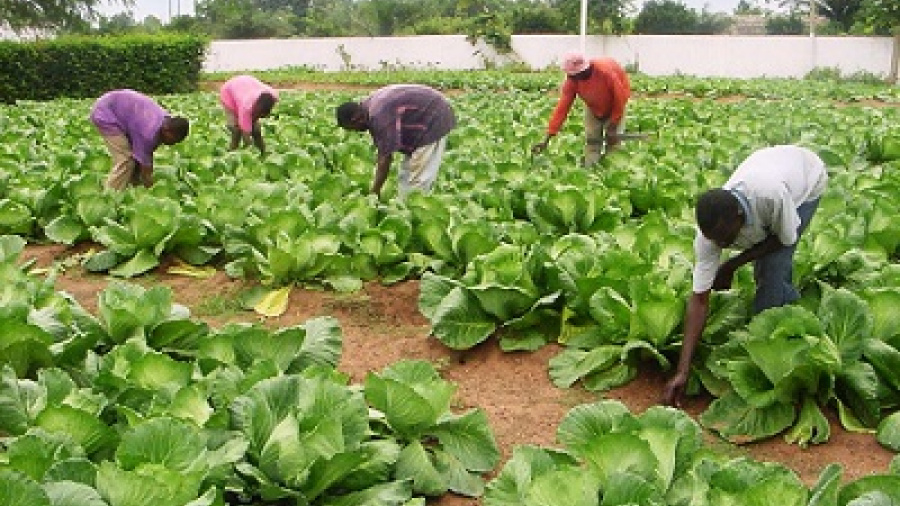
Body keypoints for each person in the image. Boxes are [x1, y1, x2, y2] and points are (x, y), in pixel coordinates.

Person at [661, 145, 828, 407]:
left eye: (725, 238)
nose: (720, 244)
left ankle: (777, 337)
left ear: (738, 217)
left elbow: (784, 239)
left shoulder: (769, 196)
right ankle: (785, 313)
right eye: (713, 240)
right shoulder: (710, 235)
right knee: (766, 269)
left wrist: (731, 265)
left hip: (806, 179)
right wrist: (682, 370)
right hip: (771, 166)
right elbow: (699, 300)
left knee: (771, 268)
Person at [335, 84, 456, 198]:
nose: (356, 132)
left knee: (420, 177)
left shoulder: (379, 116)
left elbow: (385, 159)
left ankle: (416, 209)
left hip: (434, 117)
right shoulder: (366, 107)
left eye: (353, 129)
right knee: (406, 174)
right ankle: (405, 205)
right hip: (424, 114)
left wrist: (375, 191)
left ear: (356, 119)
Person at [532, 52, 631, 166]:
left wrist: (613, 125)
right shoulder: (572, 81)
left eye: (572, 75)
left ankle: (613, 168)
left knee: (614, 143)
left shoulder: (605, 73)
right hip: (593, 107)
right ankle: (591, 170)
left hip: (616, 106)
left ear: (582, 71)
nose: (570, 77)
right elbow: (562, 108)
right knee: (592, 141)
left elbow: (620, 99)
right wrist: (547, 138)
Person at [90, 89, 189, 190]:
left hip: (121, 108)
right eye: (174, 140)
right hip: (106, 113)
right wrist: (150, 187)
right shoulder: (148, 133)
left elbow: (143, 158)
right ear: (167, 131)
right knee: (125, 160)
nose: (173, 144)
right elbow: (146, 168)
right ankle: (111, 194)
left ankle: (131, 186)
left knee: (136, 160)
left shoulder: (164, 119)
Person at [219, 75, 279, 156]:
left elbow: (257, 120)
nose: (258, 118)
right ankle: (232, 152)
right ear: (255, 109)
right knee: (236, 130)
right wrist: (250, 152)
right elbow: (246, 136)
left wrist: (254, 124)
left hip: (245, 84)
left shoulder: (273, 95)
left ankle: (263, 152)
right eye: (258, 115)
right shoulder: (246, 107)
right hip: (228, 93)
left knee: (256, 130)